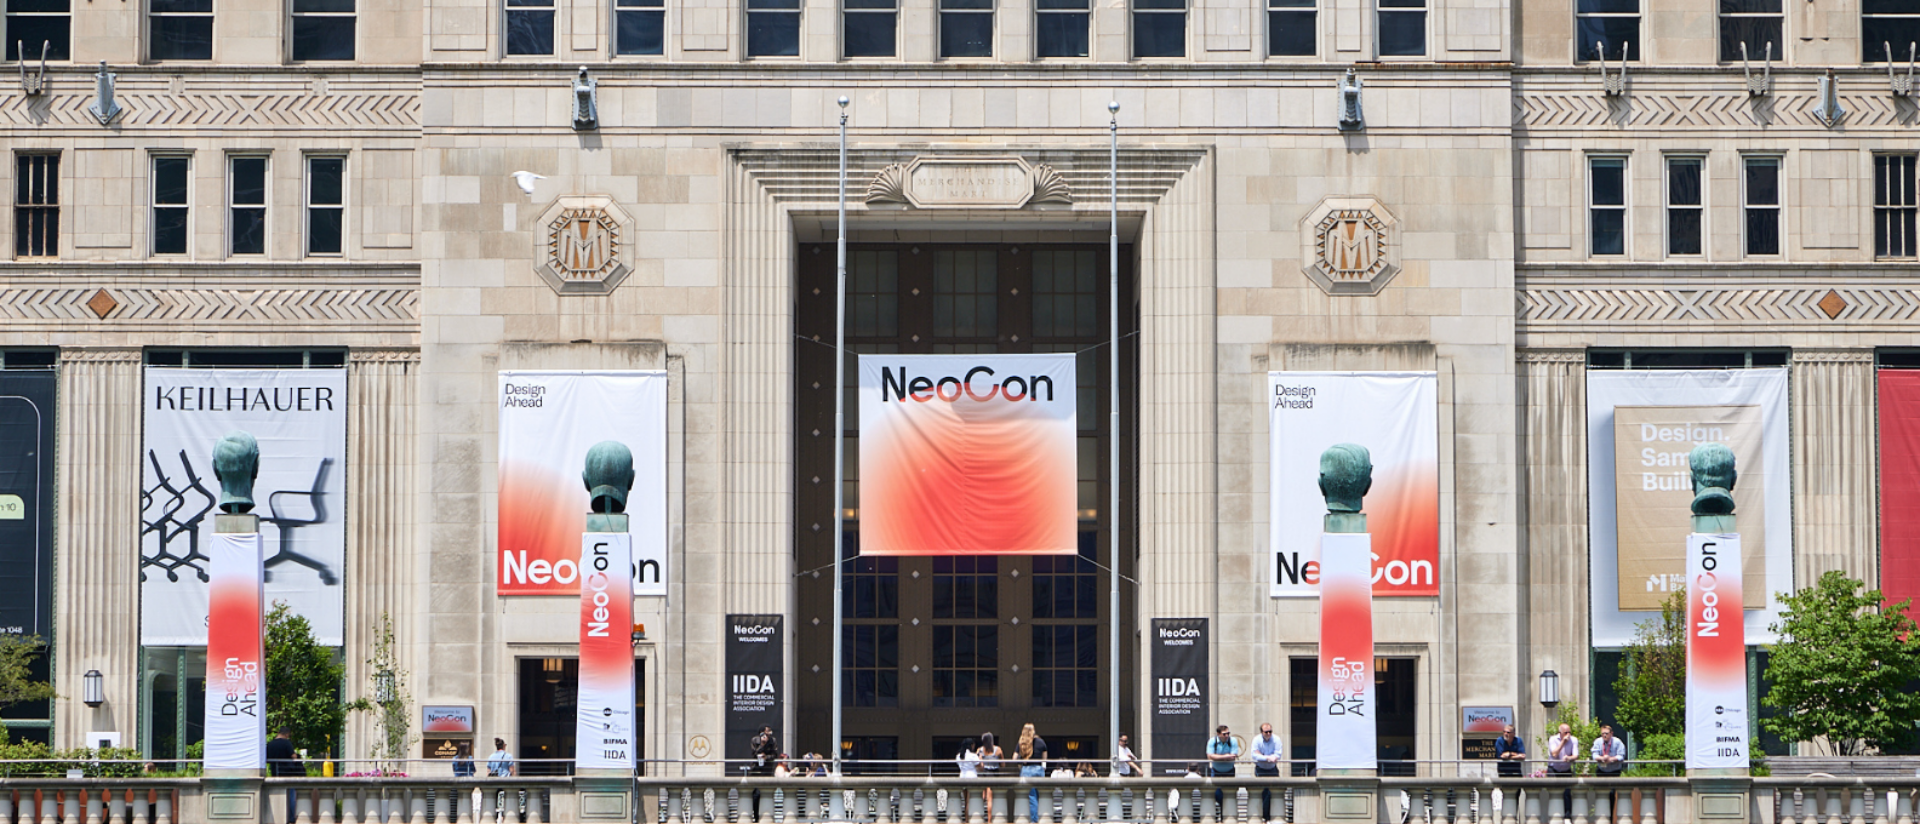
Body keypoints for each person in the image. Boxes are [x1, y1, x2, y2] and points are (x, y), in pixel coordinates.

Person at [266, 727, 304, 824]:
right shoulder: (287, 743)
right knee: (291, 795)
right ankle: (291, 818)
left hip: (275, 772)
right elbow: (293, 756)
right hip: (288, 772)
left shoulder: (270, 744)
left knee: (277, 794)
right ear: (287, 734)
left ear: (278, 733)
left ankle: (277, 816)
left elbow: (267, 757)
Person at [1591, 725, 1627, 815]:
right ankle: (1601, 815)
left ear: (1611, 733)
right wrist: (1602, 758)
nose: (1604, 736)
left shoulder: (1617, 742)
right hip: (1601, 771)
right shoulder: (1598, 742)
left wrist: (1611, 759)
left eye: (1606, 733)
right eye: (1603, 734)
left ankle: (1610, 816)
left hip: (1614, 771)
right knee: (1600, 794)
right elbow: (1594, 755)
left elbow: (1621, 756)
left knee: (1611, 794)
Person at [1207, 724, 1241, 819]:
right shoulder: (1212, 741)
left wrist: (1218, 757)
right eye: (1224, 734)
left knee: (1229, 794)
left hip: (1229, 771)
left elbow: (1233, 756)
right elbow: (1210, 756)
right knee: (1217, 794)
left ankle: (1226, 816)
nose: (1227, 736)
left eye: (1228, 733)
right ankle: (1219, 815)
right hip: (1216, 771)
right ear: (1218, 734)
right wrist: (1226, 757)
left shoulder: (1232, 741)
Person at [1545, 723, 1578, 818]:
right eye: (1565, 733)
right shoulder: (1553, 739)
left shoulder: (1574, 740)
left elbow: (1575, 755)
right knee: (1554, 792)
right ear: (1560, 733)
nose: (1568, 735)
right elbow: (1554, 754)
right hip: (1553, 769)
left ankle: (1567, 817)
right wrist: (1563, 742)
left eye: (1569, 732)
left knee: (1567, 793)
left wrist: (1569, 758)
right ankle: (1554, 816)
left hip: (1566, 769)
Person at [1017, 723, 1049, 821]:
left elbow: (1014, 758)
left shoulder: (1021, 743)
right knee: (1041, 796)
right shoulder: (1041, 742)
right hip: (1039, 770)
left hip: (1026, 770)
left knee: (1032, 797)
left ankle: (1034, 820)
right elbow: (1044, 761)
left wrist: (1021, 766)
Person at [1251, 723, 1283, 823]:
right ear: (1261, 732)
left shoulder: (1276, 739)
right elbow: (1254, 755)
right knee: (1263, 793)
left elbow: (1278, 754)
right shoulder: (1257, 740)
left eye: (1270, 731)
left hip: (1272, 769)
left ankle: (1270, 816)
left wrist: (1263, 756)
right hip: (1260, 769)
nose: (1268, 733)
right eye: (1266, 732)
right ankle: (1264, 816)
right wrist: (1268, 757)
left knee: (1273, 793)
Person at [979, 732, 1003, 813]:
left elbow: (978, 763)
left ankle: (980, 815)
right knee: (990, 798)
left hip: (984, 773)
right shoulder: (998, 750)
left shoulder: (980, 750)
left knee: (983, 796)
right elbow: (1003, 764)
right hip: (993, 773)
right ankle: (989, 820)